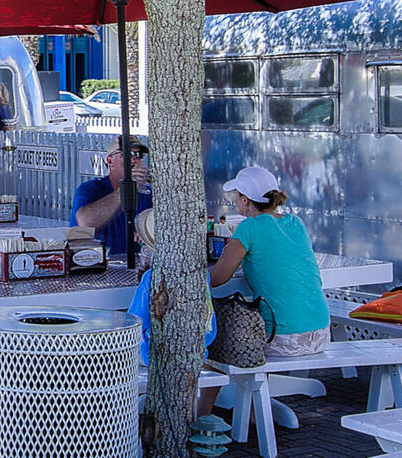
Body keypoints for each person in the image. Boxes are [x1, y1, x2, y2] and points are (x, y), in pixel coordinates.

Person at [209, 165, 330, 358]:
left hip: (284, 337)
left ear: (245, 200)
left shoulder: (249, 227)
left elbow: (216, 279)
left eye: (237, 195)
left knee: (211, 341)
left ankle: (215, 388)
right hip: (321, 331)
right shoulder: (296, 223)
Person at [125, 209, 219, 413]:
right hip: (198, 352)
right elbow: (210, 329)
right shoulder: (202, 275)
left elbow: (134, 322)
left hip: (155, 357)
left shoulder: (151, 277)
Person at [72, 139, 152, 257]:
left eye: (139, 155)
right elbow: (85, 222)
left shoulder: (147, 192)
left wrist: (147, 234)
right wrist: (124, 191)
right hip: (95, 262)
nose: (134, 159)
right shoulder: (90, 189)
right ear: (110, 161)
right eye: (127, 154)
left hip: (135, 263)